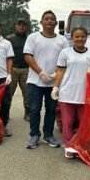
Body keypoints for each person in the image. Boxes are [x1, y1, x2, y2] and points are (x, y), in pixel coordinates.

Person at [24, 10, 68, 149]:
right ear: (41, 22)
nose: (49, 21)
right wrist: (41, 72)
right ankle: (34, 135)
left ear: (56, 23)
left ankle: (48, 135)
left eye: (52, 19)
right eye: (46, 19)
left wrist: (56, 75)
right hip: (35, 81)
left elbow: (66, 59)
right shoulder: (33, 37)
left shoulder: (62, 40)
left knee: (51, 109)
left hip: (53, 83)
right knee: (35, 109)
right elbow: (28, 56)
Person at [51, 27, 90, 157]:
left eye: (82, 36)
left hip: (85, 93)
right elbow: (60, 70)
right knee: (68, 122)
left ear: (86, 38)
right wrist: (56, 87)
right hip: (67, 92)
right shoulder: (65, 52)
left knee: (83, 122)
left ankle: (81, 145)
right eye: (76, 36)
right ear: (71, 38)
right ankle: (69, 146)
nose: (80, 39)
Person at [6, 18, 30, 122]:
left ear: (26, 26)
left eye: (23, 25)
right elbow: (5, 54)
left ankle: (27, 113)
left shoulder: (30, 38)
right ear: (16, 26)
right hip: (13, 69)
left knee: (28, 93)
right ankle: (6, 113)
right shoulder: (9, 39)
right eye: (19, 24)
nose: (21, 27)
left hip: (26, 69)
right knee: (8, 93)